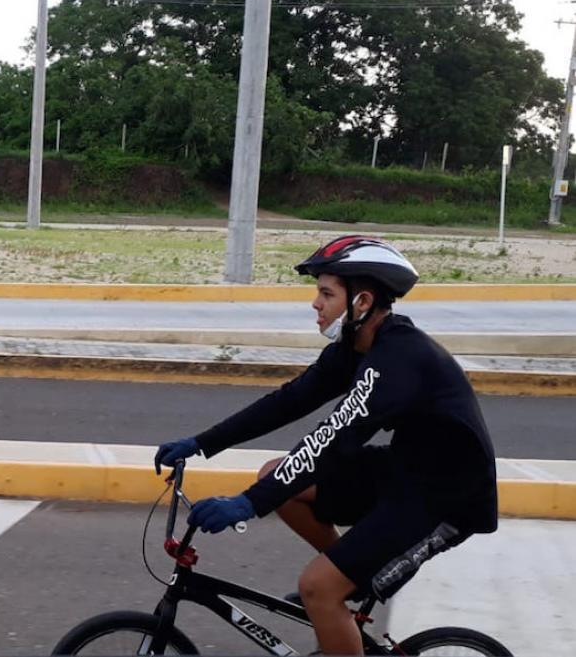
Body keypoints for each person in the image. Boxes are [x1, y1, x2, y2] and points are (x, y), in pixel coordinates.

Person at [155, 235, 498, 656]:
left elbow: (333, 438)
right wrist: (202, 444)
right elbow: (287, 402)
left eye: (325, 293)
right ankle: (351, 580)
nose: (315, 304)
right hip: (403, 471)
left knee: (317, 587)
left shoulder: (398, 359)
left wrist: (247, 503)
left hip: (445, 498)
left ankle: (339, 588)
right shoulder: (355, 348)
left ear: (362, 301)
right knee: (277, 479)